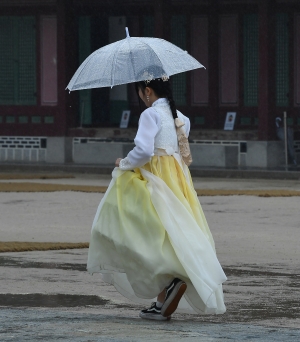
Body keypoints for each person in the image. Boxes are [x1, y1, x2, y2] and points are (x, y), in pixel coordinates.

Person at [87, 74, 227, 321]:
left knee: (135, 231)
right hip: (178, 181)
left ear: (148, 91)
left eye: (140, 92)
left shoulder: (150, 114)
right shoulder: (181, 118)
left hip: (154, 178)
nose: (141, 97)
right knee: (171, 234)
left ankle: (168, 282)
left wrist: (124, 162)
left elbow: (144, 151)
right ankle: (163, 298)